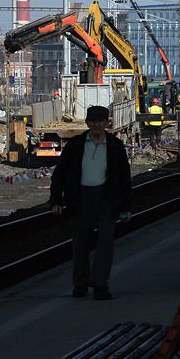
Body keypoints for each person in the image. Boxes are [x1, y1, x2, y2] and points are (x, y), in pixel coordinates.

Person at [50, 105, 132, 300]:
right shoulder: (75, 145)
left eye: (100, 121)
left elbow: (124, 179)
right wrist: (56, 200)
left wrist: (126, 207)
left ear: (106, 123)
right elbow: (59, 174)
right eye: (92, 121)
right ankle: (80, 284)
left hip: (105, 199)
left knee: (105, 245)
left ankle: (100, 285)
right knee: (80, 244)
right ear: (87, 123)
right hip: (80, 199)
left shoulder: (115, 146)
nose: (96, 125)